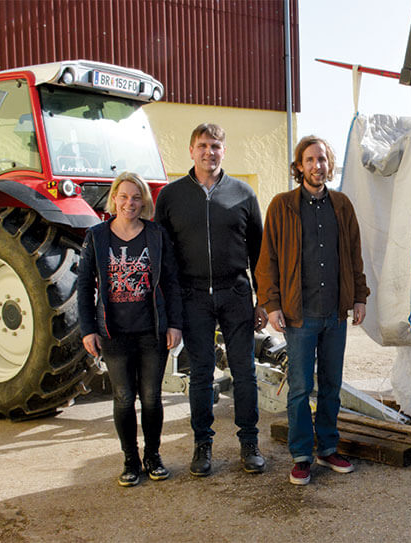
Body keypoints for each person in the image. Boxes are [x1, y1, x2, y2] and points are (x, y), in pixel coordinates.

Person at [154, 123, 268, 476]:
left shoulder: (243, 194)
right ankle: (202, 445)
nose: (209, 152)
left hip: (235, 293)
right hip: (193, 297)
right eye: (202, 145)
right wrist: (170, 309)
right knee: (201, 374)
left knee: (244, 372)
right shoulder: (170, 197)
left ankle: (249, 443)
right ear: (191, 151)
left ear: (224, 151)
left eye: (215, 146)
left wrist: (262, 299)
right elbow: (163, 257)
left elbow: (258, 252)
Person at [256, 135, 370, 485]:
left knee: (332, 386)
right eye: (310, 159)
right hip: (299, 314)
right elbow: (267, 260)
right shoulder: (282, 206)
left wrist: (360, 296)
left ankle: (328, 448)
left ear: (329, 164)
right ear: (299, 166)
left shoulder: (342, 205)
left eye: (322, 159)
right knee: (300, 388)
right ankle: (302, 455)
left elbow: (353, 255)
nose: (317, 165)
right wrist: (272, 304)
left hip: (334, 313)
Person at [78, 171, 183, 487]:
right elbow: (84, 286)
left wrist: (175, 324)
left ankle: (153, 456)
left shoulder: (156, 235)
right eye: (123, 196)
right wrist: (87, 329)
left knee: (151, 397)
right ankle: (130, 459)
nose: (130, 203)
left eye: (136, 197)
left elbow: (171, 282)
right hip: (114, 333)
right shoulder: (97, 236)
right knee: (123, 398)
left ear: (144, 201)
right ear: (114, 199)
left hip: (151, 331)